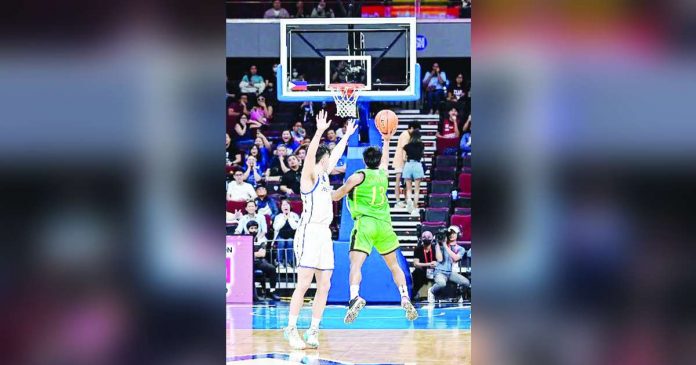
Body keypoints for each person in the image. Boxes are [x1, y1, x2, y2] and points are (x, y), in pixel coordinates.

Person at [284, 111, 357, 350]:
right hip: (309, 232)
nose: (331, 161)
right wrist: (318, 132)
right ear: (321, 159)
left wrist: (346, 137)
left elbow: (334, 157)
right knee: (303, 283)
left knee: (324, 284)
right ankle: (291, 329)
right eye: (327, 158)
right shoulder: (310, 175)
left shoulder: (325, 177)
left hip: (325, 234)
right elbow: (311, 157)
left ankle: (314, 329)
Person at [331, 130, 419, 324]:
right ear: (378, 161)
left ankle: (355, 297)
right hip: (385, 225)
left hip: (365, 224)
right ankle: (404, 297)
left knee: (355, 264)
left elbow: (337, 196)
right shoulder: (383, 174)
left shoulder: (357, 176)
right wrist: (386, 141)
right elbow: (385, 161)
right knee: (394, 266)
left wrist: (322, 193)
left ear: (364, 160)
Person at [428, 226, 470, 303]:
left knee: (466, 282)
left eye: (454, 233)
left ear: (458, 234)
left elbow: (456, 258)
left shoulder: (460, 249)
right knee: (442, 284)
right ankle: (431, 291)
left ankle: (458, 295)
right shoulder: (440, 246)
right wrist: (437, 243)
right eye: (449, 233)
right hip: (439, 272)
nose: (451, 235)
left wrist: (445, 245)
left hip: (450, 273)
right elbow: (439, 259)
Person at [249, 220, 281, 301]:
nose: (253, 230)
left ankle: (271, 292)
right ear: (248, 229)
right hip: (246, 262)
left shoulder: (261, 239)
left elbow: (262, 254)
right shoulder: (243, 238)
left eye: (255, 228)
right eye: (251, 228)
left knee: (272, 269)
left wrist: (250, 253)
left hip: (258, 262)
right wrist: (255, 253)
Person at [393, 122, 420, 209]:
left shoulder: (409, 136)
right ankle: (397, 201)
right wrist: (405, 161)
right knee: (398, 181)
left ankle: (405, 200)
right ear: (411, 128)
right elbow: (404, 150)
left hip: (405, 162)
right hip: (400, 161)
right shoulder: (405, 135)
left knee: (405, 183)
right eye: (416, 130)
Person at [402, 129, 425, 216]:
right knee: (417, 189)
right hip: (417, 165)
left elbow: (404, 158)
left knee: (408, 188)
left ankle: (409, 200)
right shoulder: (421, 145)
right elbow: (422, 155)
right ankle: (415, 207)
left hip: (408, 165)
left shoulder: (407, 146)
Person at [273, 199, 301, 267]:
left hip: (291, 235)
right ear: (281, 207)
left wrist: (289, 218)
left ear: (290, 206)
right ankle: (279, 261)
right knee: (281, 242)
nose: (285, 206)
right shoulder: (278, 216)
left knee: (290, 242)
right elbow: (276, 228)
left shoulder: (295, 215)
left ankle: (289, 262)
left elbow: (295, 227)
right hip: (280, 235)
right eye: (283, 205)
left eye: (287, 204)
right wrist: (284, 219)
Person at [411, 231, 438, 301]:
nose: (426, 238)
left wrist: (436, 264)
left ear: (432, 238)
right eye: (424, 237)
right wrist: (429, 264)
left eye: (429, 237)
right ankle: (414, 294)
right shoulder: (418, 249)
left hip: (435, 271)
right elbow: (416, 264)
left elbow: (441, 261)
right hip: (422, 271)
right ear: (421, 239)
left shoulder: (436, 248)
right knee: (417, 272)